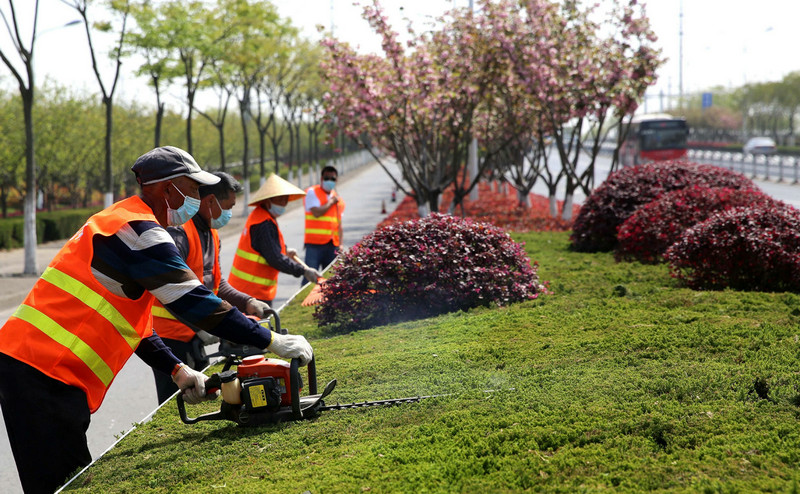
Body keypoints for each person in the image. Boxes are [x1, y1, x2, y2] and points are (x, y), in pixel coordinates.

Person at [0, 146, 312, 493]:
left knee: (66, 475)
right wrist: (272, 341)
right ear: (169, 188)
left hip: (41, 369)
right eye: (194, 189)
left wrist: (178, 370)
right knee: (60, 483)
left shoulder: (126, 220)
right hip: (41, 370)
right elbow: (196, 302)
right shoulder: (138, 230)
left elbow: (133, 325)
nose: (198, 197)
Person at [150, 171, 272, 404]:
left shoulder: (212, 234)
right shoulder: (179, 234)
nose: (229, 214)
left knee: (205, 393)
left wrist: (247, 301)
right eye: (229, 206)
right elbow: (170, 289)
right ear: (210, 201)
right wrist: (204, 326)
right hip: (170, 337)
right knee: (173, 403)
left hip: (195, 331)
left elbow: (216, 282)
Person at [229, 173, 321, 305]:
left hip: (246, 291)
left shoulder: (261, 216)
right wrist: (303, 270)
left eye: (286, 199)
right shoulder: (264, 223)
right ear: (268, 200)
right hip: (251, 293)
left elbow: (266, 246)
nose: (284, 203)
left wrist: (285, 250)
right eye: (280, 199)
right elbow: (275, 258)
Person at [302, 165, 346, 285]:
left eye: (332, 179)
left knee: (331, 278)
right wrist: (331, 202)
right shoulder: (312, 192)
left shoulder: (339, 200)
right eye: (327, 178)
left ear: (336, 180)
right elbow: (316, 213)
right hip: (314, 245)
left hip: (332, 245)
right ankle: (303, 301)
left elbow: (339, 224)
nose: (329, 181)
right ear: (321, 178)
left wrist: (341, 245)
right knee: (310, 279)